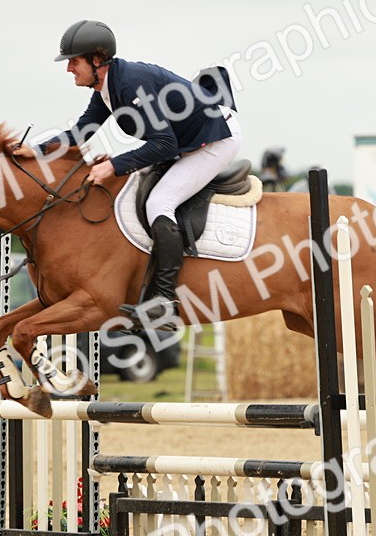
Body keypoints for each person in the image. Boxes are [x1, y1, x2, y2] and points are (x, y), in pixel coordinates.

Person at [33, 20, 242, 329]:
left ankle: (165, 302)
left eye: (73, 61)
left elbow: (165, 144)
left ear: (96, 59)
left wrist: (112, 165)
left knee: (160, 202)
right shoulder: (108, 87)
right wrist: (35, 151)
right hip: (188, 140)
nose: (69, 69)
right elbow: (82, 131)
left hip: (216, 139)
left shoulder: (129, 84)